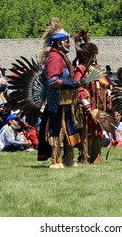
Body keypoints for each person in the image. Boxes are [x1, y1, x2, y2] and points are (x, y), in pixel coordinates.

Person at [37, 18, 80, 168]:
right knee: (56, 130)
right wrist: (70, 83)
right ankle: (57, 160)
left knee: (68, 130)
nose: (69, 44)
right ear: (59, 43)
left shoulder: (62, 57)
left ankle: (68, 159)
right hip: (57, 102)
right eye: (66, 41)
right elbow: (52, 81)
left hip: (66, 101)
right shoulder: (55, 58)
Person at [73, 29, 109, 164]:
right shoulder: (80, 69)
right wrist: (85, 102)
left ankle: (96, 158)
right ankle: (85, 157)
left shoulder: (96, 70)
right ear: (87, 56)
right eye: (92, 55)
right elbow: (76, 86)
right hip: (86, 108)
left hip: (98, 107)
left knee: (97, 132)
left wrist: (107, 100)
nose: (94, 58)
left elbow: (105, 85)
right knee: (87, 132)